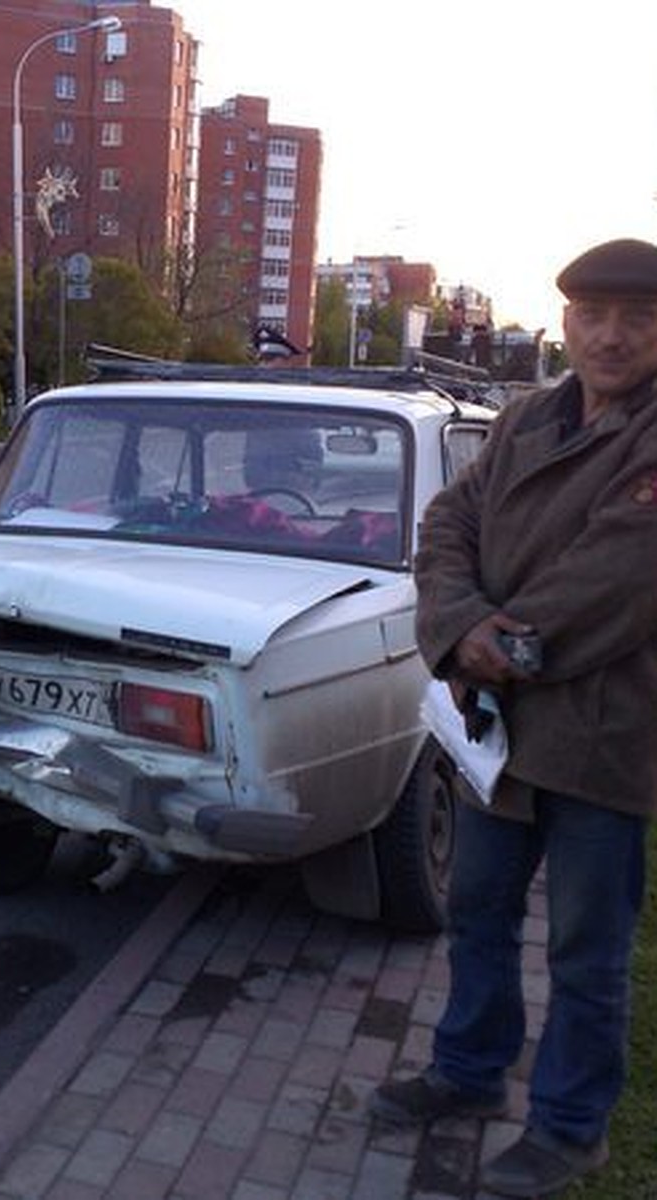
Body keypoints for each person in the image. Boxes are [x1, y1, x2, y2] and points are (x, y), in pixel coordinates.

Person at [370, 238, 657, 1197]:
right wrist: (459, 628)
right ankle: (469, 1071)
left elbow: (619, 579)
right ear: (566, 320)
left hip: (605, 737)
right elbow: (447, 524)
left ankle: (573, 1126)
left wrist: (496, 645)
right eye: (594, 316)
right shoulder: (529, 414)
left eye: (639, 320)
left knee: (586, 947)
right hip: (498, 730)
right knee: (481, 912)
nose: (612, 337)